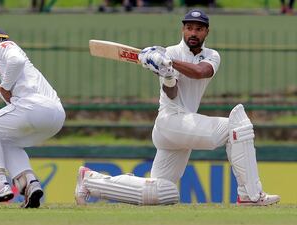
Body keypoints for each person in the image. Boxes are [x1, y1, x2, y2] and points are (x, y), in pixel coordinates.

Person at [75, 9, 280, 206]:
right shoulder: (168, 52)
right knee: (237, 127)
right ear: (183, 29)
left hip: (183, 127)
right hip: (170, 120)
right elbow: (170, 94)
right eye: (189, 28)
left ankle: (91, 180)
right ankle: (250, 195)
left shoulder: (211, 55)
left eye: (199, 29)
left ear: (206, 32)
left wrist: (170, 63)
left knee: (162, 192)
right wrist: (166, 73)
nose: (193, 32)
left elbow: (201, 72)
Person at [0, 27, 65, 208]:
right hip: (55, 116)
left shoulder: (4, 46)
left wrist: (4, 84)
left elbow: (18, 60)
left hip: (35, 108)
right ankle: (29, 185)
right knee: (6, 141)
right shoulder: (6, 67)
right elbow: (14, 102)